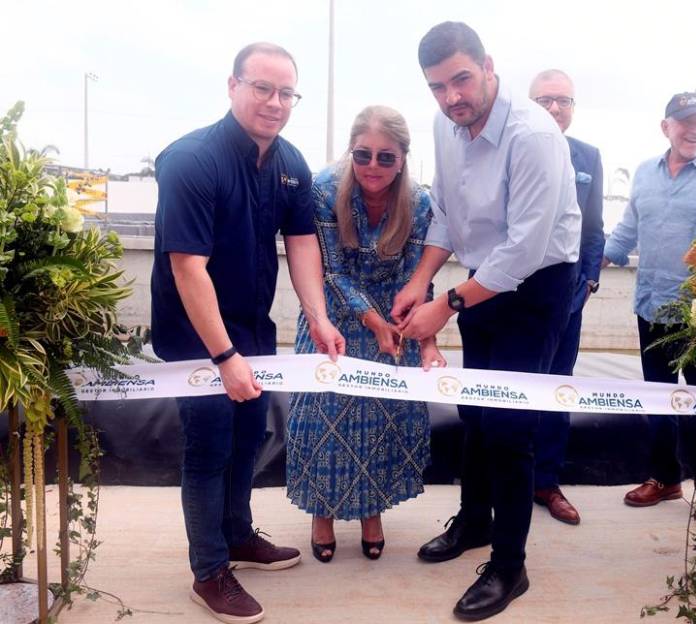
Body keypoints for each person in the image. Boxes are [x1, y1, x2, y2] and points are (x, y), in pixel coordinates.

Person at [392, 22, 581, 621]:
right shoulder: (446, 127)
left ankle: (509, 565)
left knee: (511, 426)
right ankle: (474, 522)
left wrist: (442, 307)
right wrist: (419, 282)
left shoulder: (534, 134)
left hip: (537, 287)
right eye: (438, 86)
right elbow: (446, 215)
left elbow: (524, 251)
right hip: (480, 283)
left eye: (461, 79)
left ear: (488, 66)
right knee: (475, 410)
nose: (452, 97)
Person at [150, 42, 345, 624]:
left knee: (247, 437)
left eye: (286, 92)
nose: (275, 102)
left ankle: (236, 536)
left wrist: (317, 314)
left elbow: (303, 241)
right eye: (262, 87)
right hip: (196, 336)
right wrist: (224, 354)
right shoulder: (191, 160)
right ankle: (209, 571)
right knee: (209, 446)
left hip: (253, 330)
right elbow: (188, 265)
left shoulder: (290, 163)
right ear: (232, 86)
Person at [286, 105, 446, 564]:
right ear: (350, 152)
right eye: (363, 155)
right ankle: (322, 515)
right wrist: (370, 321)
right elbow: (331, 271)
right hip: (331, 318)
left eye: (385, 158)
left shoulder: (418, 202)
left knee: (382, 421)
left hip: (395, 318)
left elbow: (419, 277)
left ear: (403, 159)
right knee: (322, 422)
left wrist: (424, 340)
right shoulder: (323, 190)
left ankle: (372, 513)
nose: (372, 166)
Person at [603, 92, 696, 528]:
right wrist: (593, 264)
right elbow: (628, 230)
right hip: (650, 307)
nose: (695, 129)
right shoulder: (645, 172)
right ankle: (665, 478)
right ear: (666, 126)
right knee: (659, 400)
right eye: (685, 121)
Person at [529, 69, 605, 526]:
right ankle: (508, 481)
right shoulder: (512, 148)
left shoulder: (589, 157)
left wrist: (590, 281)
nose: (555, 109)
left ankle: (546, 481)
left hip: (568, 301)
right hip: (513, 297)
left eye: (563, 101)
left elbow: (594, 229)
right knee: (510, 390)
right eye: (545, 100)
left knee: (558, 388)